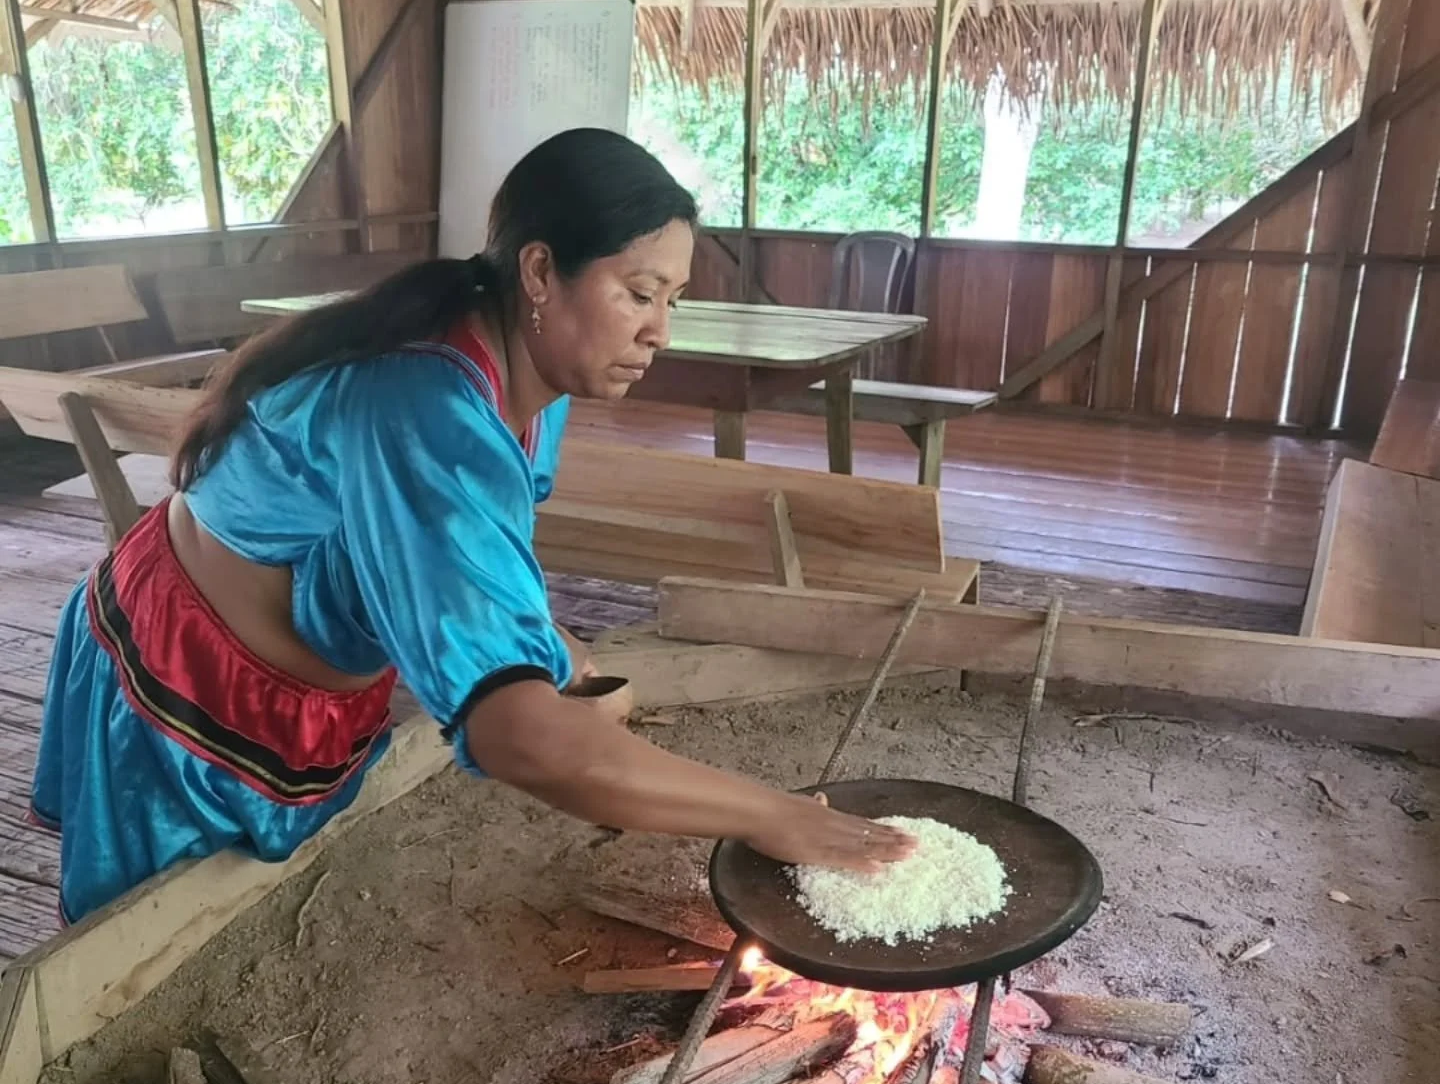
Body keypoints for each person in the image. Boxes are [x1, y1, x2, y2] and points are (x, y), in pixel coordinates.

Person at [32, 128, 913, 925]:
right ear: (539, 272)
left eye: (672, 300)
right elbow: (516, 734)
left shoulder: (529, 378)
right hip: (178, 681)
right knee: (130, 969)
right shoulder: (423, 406)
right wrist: (775, 814)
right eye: (640, 293)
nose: (660, 331)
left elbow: (466, 543)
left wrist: (539, 635)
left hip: (296, 681)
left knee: (219, 924)